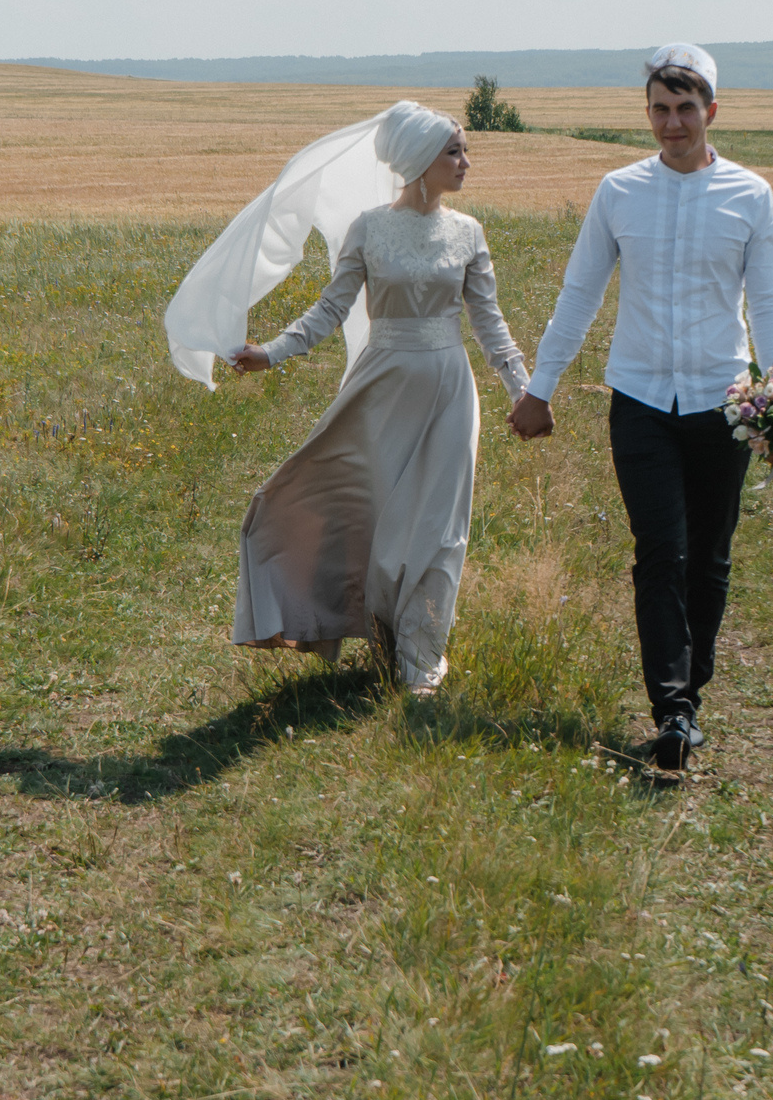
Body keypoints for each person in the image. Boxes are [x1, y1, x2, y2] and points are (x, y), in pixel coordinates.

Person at [165, 101, 531, 696]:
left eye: (465, 150)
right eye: (454, 151)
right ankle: (377, 630)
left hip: (449, 390)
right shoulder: (369, 228)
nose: (467, 161)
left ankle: (420, 658)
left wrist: (523, 391)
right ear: (419, 160)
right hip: (382, 387)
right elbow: (332, 308)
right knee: (369, 514)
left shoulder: (469, 232)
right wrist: (271, 352)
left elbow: (489, 323)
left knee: (439, 528)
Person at [508, 43, 773, 771]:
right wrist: (541, 387)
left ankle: (690, 692)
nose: (673, 124)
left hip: (723, 404)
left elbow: (769, 303)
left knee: (709, 555)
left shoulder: (750, 195)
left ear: (711, 112)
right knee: (660, 552)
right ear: (647, 113)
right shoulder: (619, 192)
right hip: (638, 399)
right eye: (660, 110)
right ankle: (672, 708)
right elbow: (580, 292)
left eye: (685, 109)